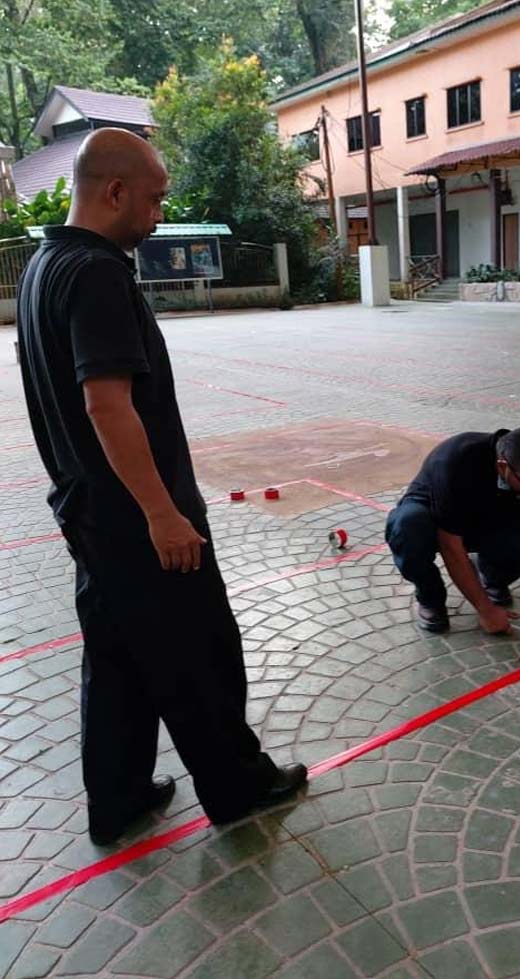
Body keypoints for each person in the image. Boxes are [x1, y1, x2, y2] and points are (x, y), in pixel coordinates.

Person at [16, 129, 307, 845]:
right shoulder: (98, 273)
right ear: (113, 191)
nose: (157, 214)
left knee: (115, 660)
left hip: (86, 510)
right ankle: (238, 787)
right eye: (152, 200)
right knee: (201, 651)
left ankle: (117, 799)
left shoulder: (43, 265)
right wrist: (163, 511)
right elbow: (105, 403)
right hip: (137, 519)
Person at [386, 427, 520, 633]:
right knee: (408, 526)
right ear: (502, 466)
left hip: (485, 520)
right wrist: (486, 610)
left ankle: (490, 575)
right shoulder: (456, 460)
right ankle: (430, 596)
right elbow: (450, 545)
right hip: (433, 517)